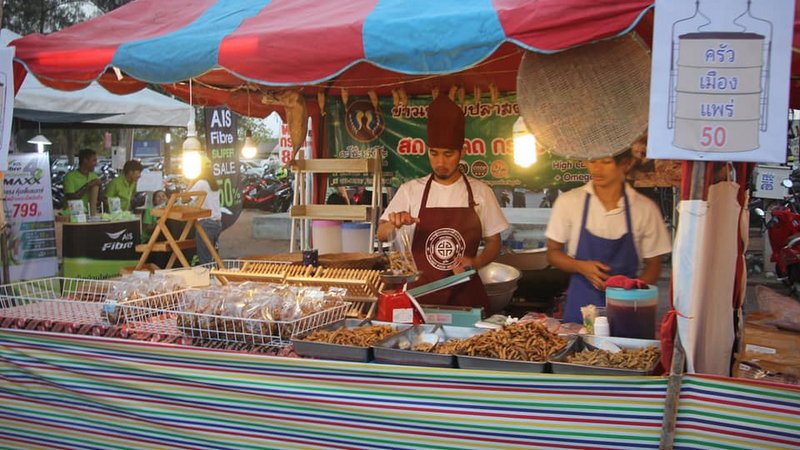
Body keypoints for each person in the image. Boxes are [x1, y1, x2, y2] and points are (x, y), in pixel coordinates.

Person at [377, 94, 510, 311]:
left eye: (448, 154)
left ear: (462, 152)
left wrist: (476, 263)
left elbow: (494, 243)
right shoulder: (410, 190)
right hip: (419, 297)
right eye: (434, 154)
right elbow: (382, 234)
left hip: (465, 298)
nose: (440, 162)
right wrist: (395, 223)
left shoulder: (480, 192)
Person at [545, 149, 672, 324]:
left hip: (628, 310)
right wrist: (580, 266)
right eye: (592, 161)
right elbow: (552, 253)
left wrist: (630, 292)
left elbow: (654, 265)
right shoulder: (569, 202)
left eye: (605, 162)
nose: (596, 169)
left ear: (625, 164)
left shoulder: (644, 208)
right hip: (581, 308)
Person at [189, 158, 222, 265]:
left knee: (205, 258)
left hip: (205, 223)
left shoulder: (201, 183)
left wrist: (190, 183)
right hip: (217, 223)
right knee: (213, 255)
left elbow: (186, 198)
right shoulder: (213, 184)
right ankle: (215, 277)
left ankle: (208, 278)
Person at [63, 148, 101, 215]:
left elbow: (99, 198)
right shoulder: (70, 177)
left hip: (89, 215)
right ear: (85, 160)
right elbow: (72, 198)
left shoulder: (94, 176)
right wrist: (89, 185)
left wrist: (100, 187)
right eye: (94, 160)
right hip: (73, 216)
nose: (96, 163)